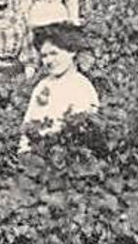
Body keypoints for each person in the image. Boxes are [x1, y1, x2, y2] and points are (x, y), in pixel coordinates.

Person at [19, 23, 99, 152]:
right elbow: (28, 124)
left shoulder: (82, 87)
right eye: (44, 56)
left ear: (72, 51)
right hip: (37, 155)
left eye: (54, 53)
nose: (49, 61)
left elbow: (83, 133)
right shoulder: (42, 86)